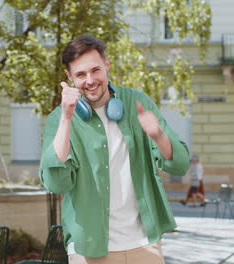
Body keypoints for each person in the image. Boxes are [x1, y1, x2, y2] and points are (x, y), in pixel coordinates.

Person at [39, 34, 190, 264]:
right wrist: (67, 118)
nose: (90, 80)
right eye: (80, 74)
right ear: (69, 77)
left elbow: (179, 165)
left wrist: (158, 135)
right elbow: (57, 183)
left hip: (144, 244)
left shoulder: (137, 102)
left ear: (107, 65)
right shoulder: (59, 119)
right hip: (89, 247)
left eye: (95, 70)